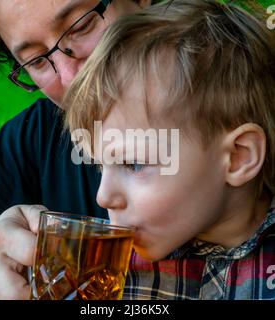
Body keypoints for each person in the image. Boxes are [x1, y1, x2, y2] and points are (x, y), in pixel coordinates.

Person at [64, 0, 275, 299]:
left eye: (134, 164)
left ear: (239, 157)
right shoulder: (111, 275)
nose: (102, 196)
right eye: (100, 166)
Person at [0, 0, 156, 299]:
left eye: (82, 25)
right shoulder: (43, 132)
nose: (71, 78)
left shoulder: (241, 93)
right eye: (36, 61)